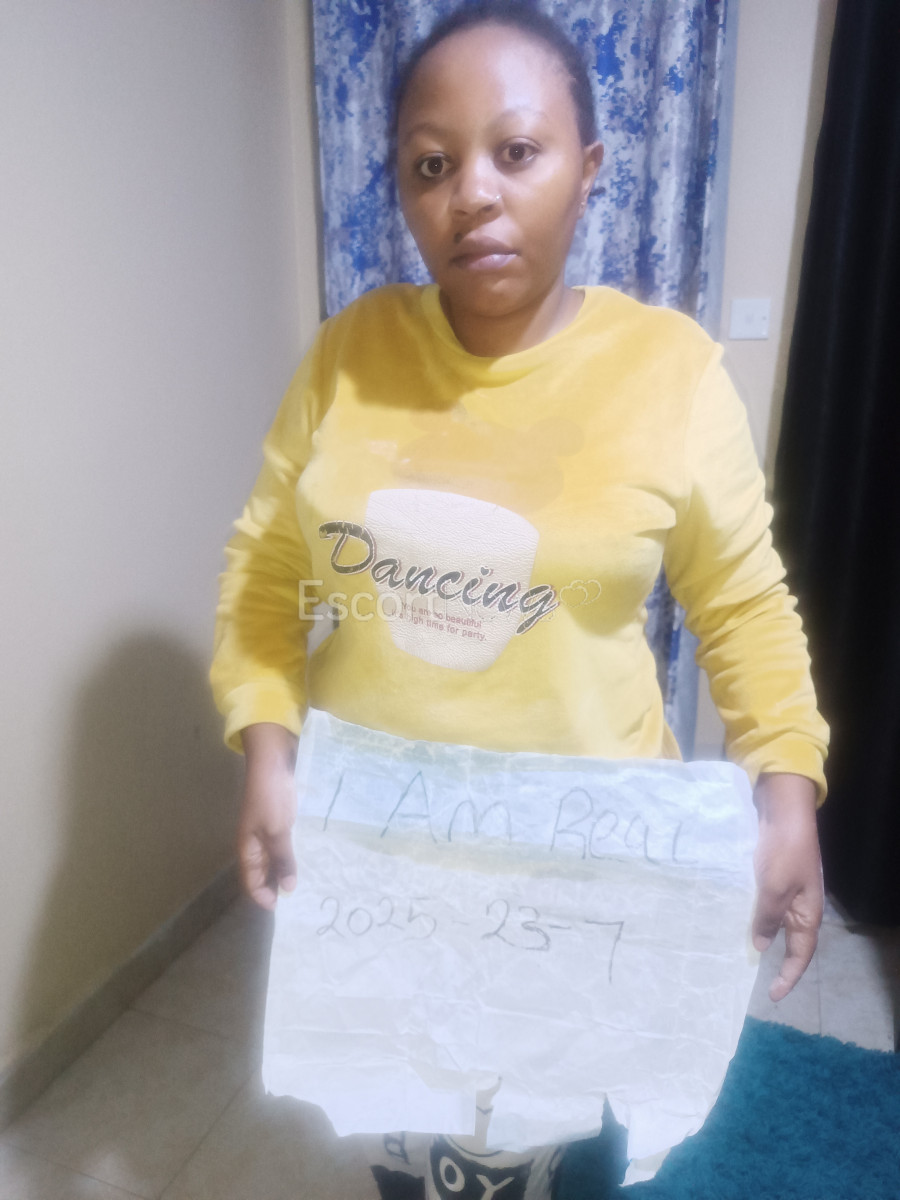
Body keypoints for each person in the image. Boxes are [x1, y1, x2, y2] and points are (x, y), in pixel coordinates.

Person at [210, 4, 829, 1197]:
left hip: (582, 872)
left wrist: (788, 789)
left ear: (588, 169)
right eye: (431, 165)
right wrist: (268, 747)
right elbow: (265, 571)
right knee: (412, 1143)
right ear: (402, 192)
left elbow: (744, 606)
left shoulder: (668, 372)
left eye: (517, 151)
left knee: (562, 1148)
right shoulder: (351, 354)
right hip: (385, 862)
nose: (472, 195)